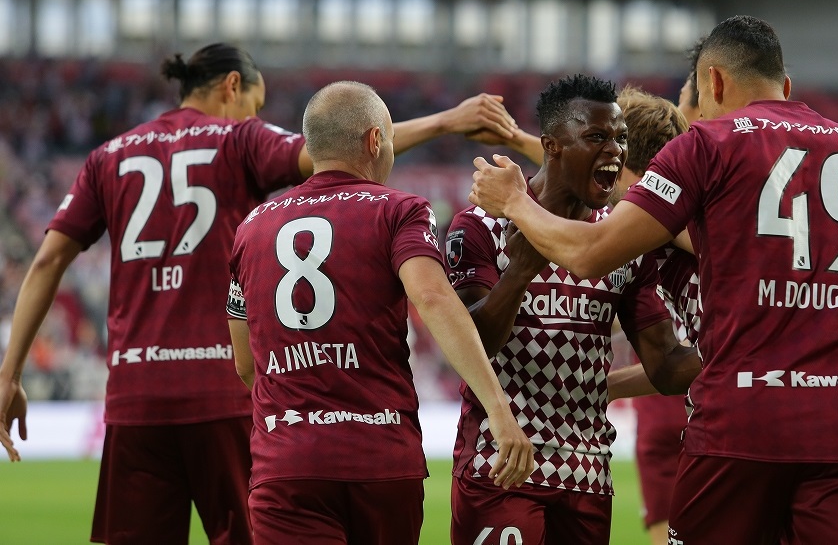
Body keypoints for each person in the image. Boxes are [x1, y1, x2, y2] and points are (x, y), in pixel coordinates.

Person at [0, 42, 526, 545]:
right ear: (233, 87)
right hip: (230, 399)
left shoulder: (109, 157)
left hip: (136, 398)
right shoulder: (240, 140)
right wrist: (444, 122)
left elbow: (46, 260)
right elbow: (330, 155)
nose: (255, 115)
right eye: (255, 104)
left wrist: (9, 374)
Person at [469, 15, 838, 544]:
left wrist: (515, 202)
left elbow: (590, 253)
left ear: (713, 82)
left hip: (741, 423)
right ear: (786, 85)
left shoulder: (708, 146)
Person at [226, 81, 534, 544]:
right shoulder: (400, 210)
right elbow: (433, 299)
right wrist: (498, 407)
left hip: (287, 464)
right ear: (375, 141)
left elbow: (246, 365)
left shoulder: (251, 227)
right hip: (382, 460)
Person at [444, 74, 700, 545]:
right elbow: (469, 344)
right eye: (597, 137)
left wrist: (733, 348)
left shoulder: (621, 242)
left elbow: (665, 365)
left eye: (621, 138)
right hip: (502, 465)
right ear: (552, 146)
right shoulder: (482, 225)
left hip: (588, 473)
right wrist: (519, 274)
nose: (615, 151)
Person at [607, 85, 698, 545]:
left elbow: (585, 254)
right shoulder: (671, 223)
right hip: (708, 396)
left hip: (732, 412)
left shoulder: (673, 216)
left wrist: (517, 205)